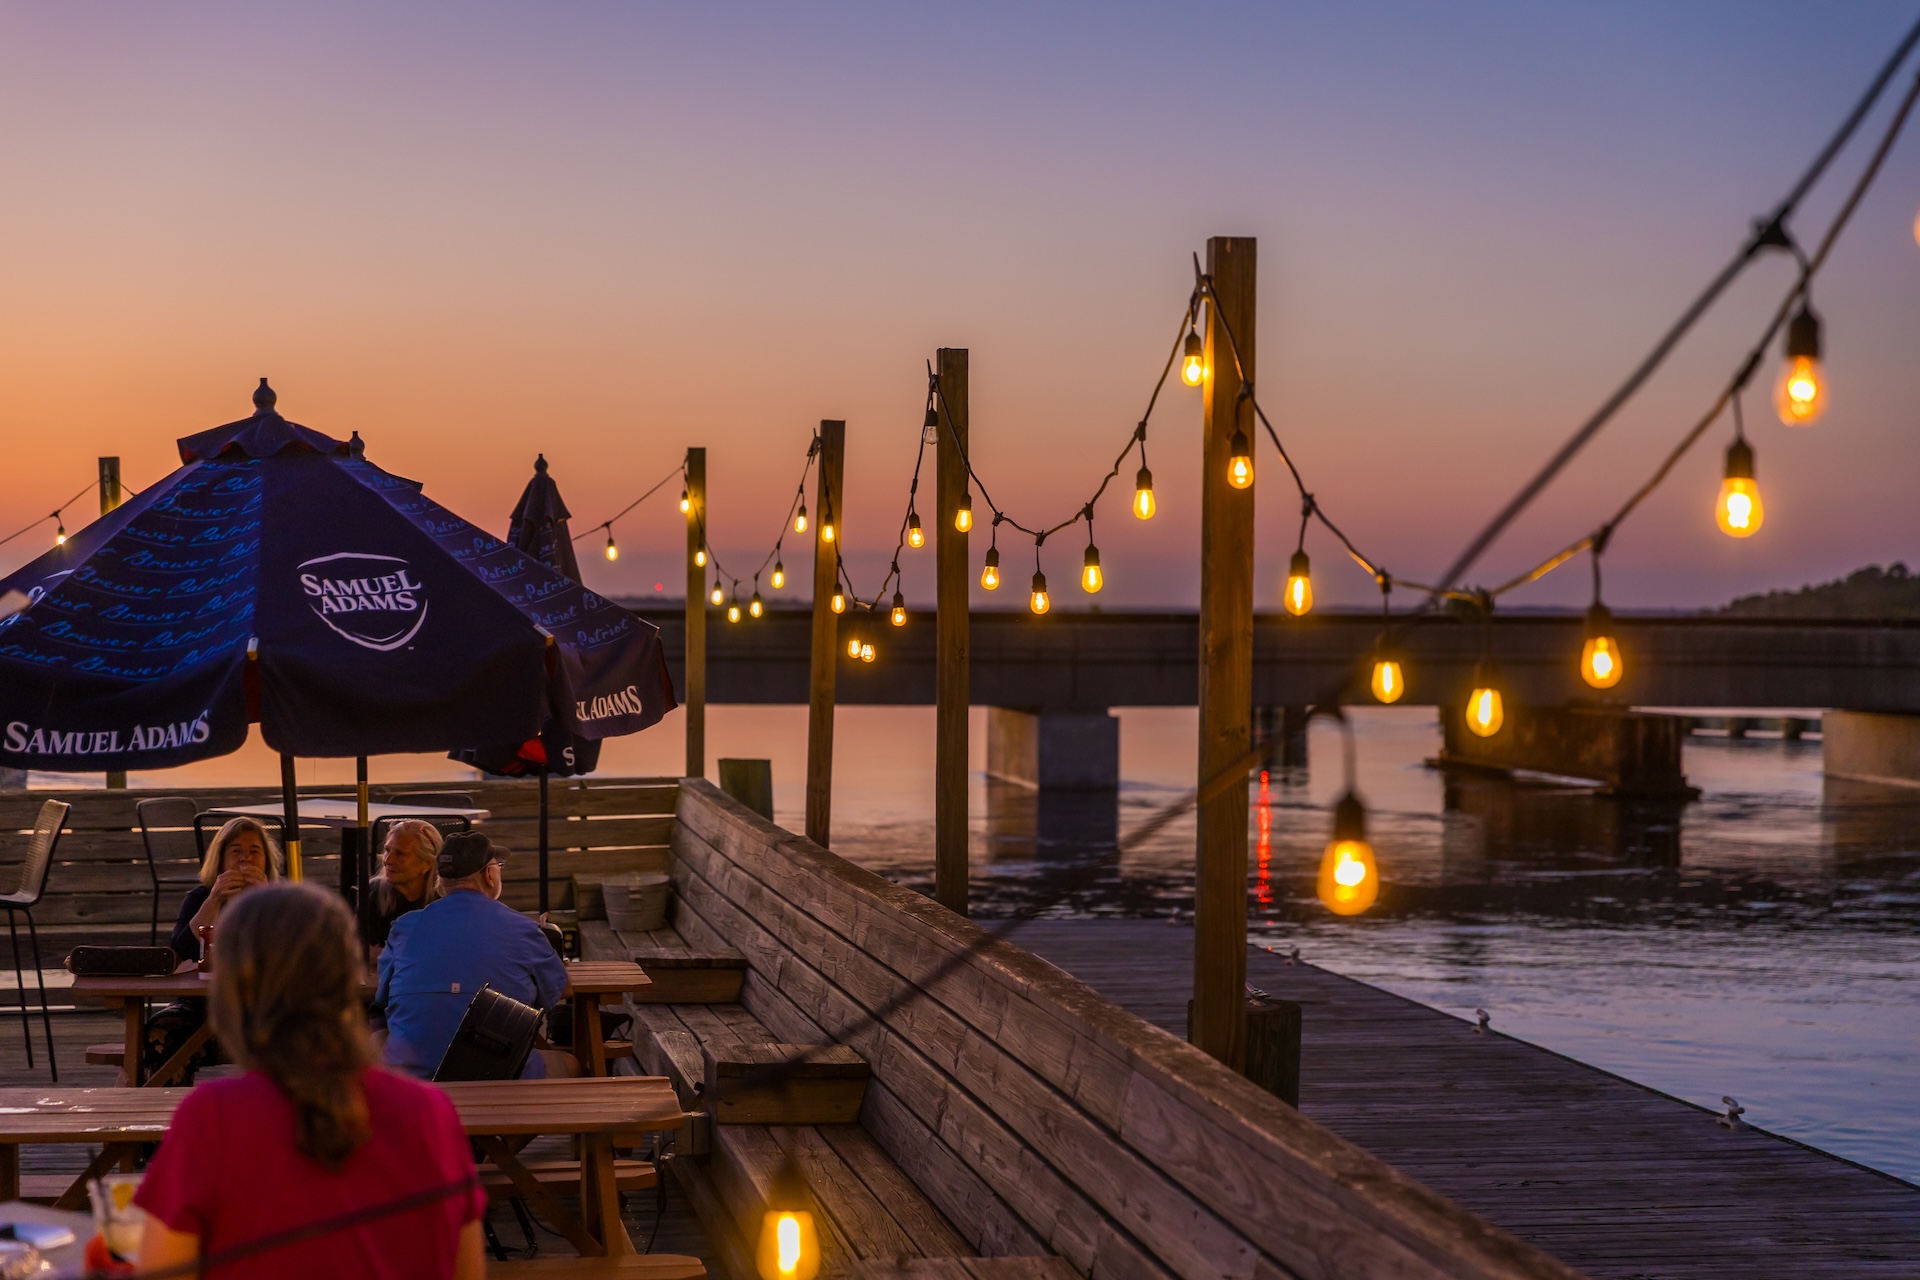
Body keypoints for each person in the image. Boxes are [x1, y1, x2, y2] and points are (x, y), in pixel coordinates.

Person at [134, 882, 487, 1280]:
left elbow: (162, 1269)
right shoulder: (430, 1113)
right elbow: (468, 1270)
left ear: (234, 992)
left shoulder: (212, 1119)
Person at [376, 832, 569, 1079]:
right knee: (569, 1063)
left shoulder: (404, 926)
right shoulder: (522, 928)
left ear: (441, 879)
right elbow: (559, 990)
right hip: (498, 1071)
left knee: (380, 1039)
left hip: (414, 1075)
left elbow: (383, 993)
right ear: (489, 874)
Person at [145, 817, 283, 1084]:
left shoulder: (282, 898)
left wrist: (266, 899)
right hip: (203, 1006)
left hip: (264, 1009)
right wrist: (215, 899)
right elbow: (181, 950)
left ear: (267, 860)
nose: (246, 860)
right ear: (220, 861)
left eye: (254, 851)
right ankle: (166, 1117)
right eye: (236, 852)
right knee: (161, 1031)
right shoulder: (201, 897)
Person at [359, 819, 444, 957]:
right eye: (387, 850)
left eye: (400, 854)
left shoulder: (445, 902)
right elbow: (356, 952)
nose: (387, 860)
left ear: (427, 864)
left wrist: (384, 954)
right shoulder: (374, 894)